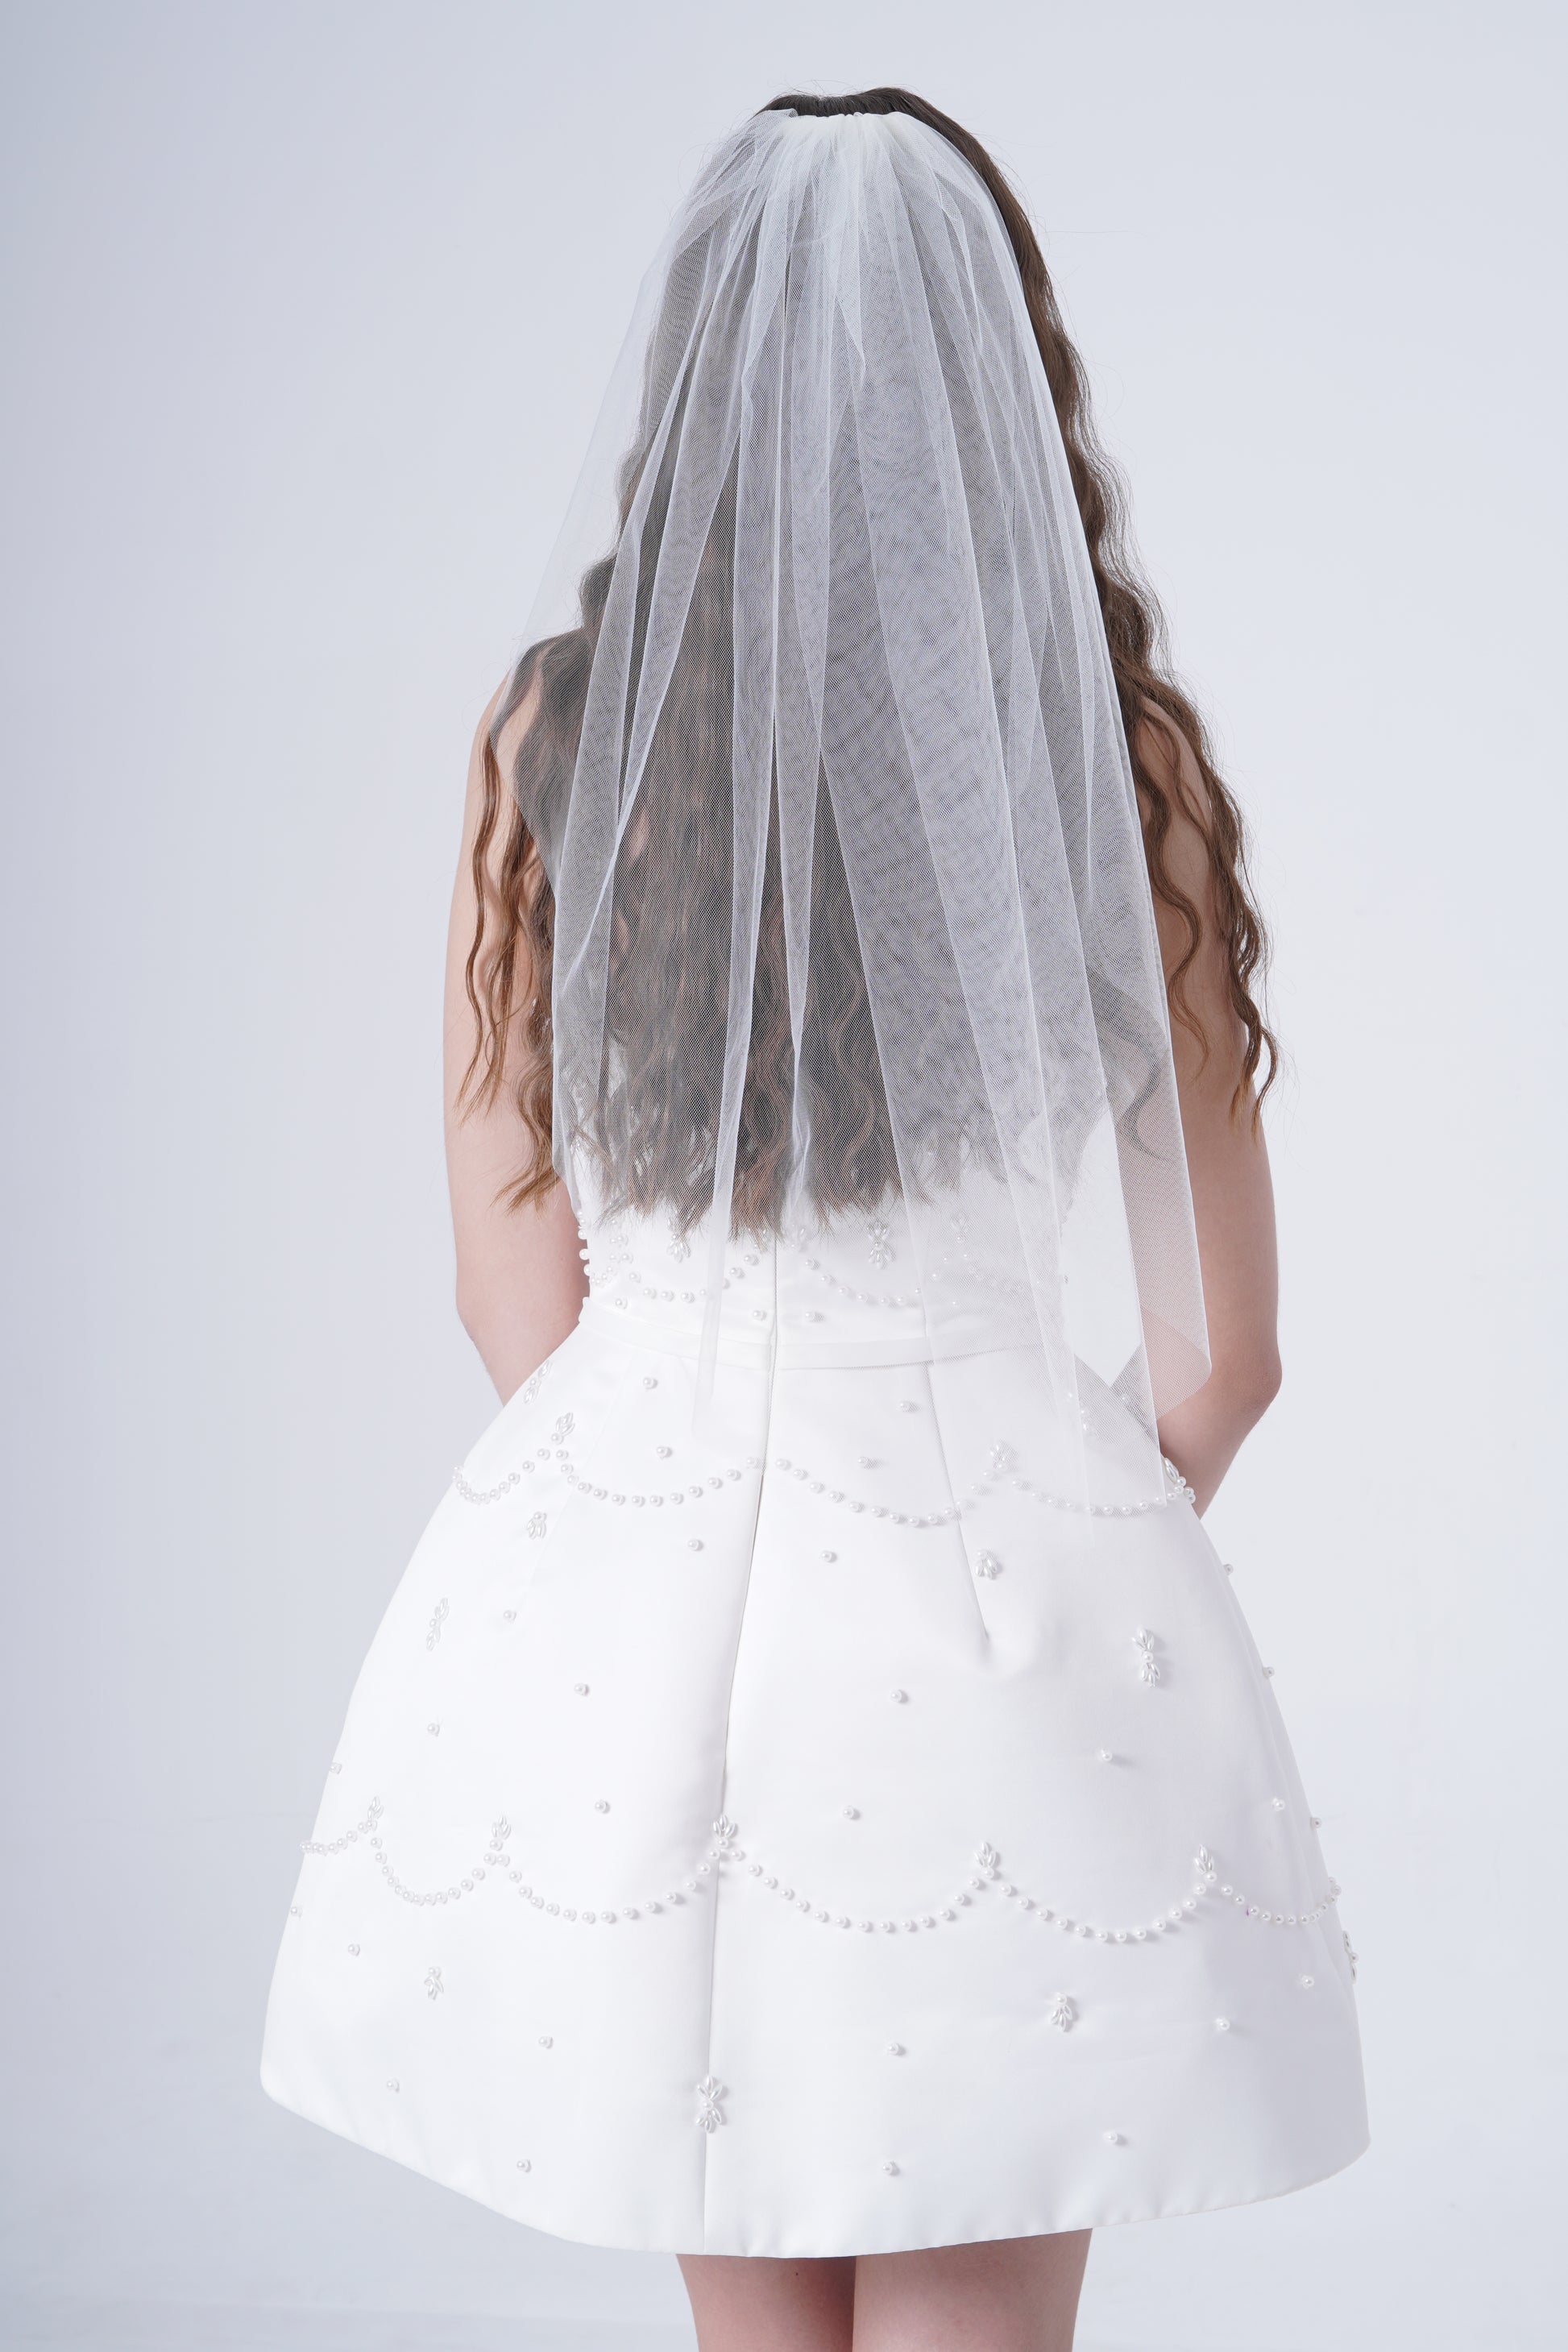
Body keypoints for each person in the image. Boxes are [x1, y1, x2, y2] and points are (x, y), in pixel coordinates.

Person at [261, 87, 1367, 2352]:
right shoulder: (1112, 757)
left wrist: (661, 1488)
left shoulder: (555, 742)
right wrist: (1078, 1521)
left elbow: (502, 1282)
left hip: (657, 1603)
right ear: (997, 379)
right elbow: (1228, 1351)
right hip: (1004, 1604)